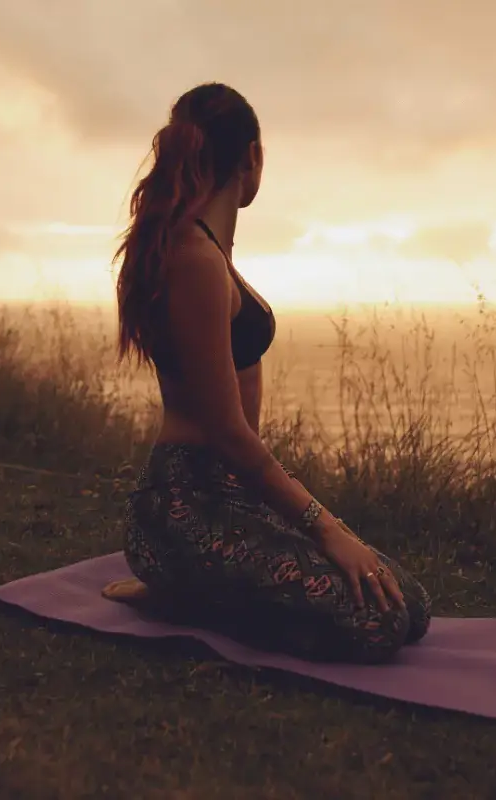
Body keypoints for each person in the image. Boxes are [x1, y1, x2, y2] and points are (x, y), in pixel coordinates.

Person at [102, 82, 431, 664]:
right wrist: (324, 526)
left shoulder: (210, 253)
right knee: (378, 625)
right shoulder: (195, 261)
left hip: (234, 498)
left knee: (411, 605)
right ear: (252, 157)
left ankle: (191, 593)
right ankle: (186, 595)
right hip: (181, 507)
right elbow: (227, 432)